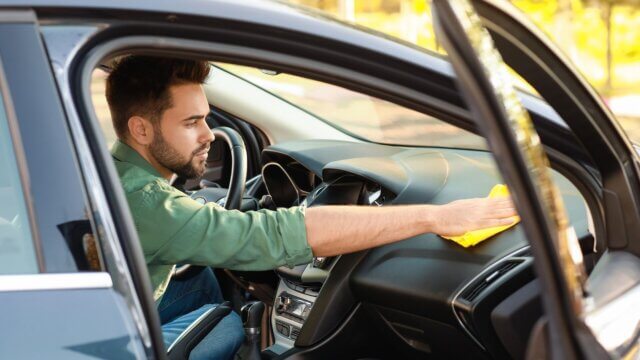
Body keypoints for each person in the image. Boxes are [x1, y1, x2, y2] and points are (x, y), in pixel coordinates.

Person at [106, 56, 517, 359]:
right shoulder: (147, 202)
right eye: (191, 122)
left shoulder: (112, 170)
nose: (211, 134)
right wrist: (436, 216)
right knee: (226, 320)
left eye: (206, 119)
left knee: (201, 283)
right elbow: (270, 235)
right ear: (141, 128)